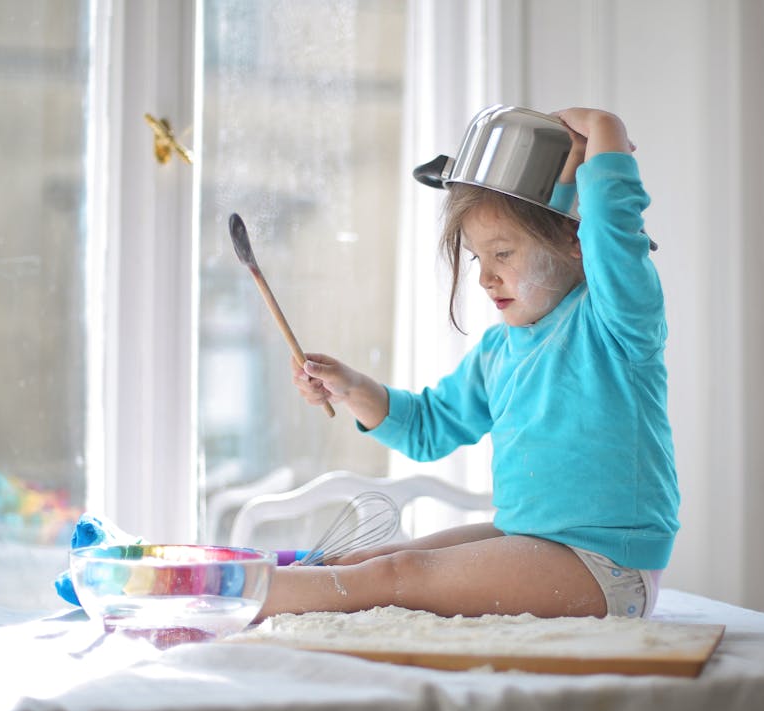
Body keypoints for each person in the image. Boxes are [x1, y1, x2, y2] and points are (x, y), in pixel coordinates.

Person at [258, 107, 679, 621]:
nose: (484, 279)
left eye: (503, 254)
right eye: (479, 259)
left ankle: (232, 596)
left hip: (605, 566)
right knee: (370, 559)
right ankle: (254, 595)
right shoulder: (498, 351)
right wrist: (350, 388)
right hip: (534, 539)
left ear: (575, 242)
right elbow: (428, 427)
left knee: (394, 576)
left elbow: (614, 232)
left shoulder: (615, 323)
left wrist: (607, 131)